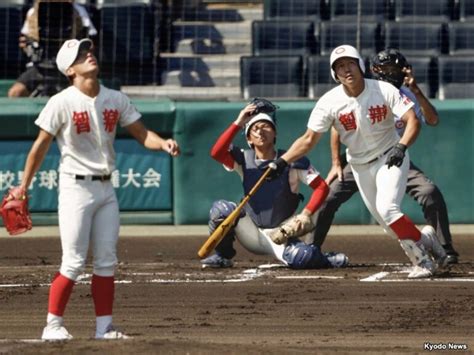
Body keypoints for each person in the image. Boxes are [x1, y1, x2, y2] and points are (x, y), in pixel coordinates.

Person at [14, 38, 180, 341]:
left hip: (106, 189)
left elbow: (143, 134)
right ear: (70, 70)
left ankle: (105, 328)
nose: (89, 55)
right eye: (80, 54)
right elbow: (40, 147)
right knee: (74, 261)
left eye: (88, 51)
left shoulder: (115, 98)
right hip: (75, 188)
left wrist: (163, 144)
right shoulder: (61, 101)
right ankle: (52, 325)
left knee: (106, 260)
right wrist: (24, 185)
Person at [268, 44, 447, 279]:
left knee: (389, 210)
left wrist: (401, 147)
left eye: (350, 63)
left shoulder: (383, 90)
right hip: (359, 165)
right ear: (335, 74)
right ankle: (427, 239)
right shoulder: (329, 101)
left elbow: (412, 119)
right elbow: (309, 139)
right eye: (340, 66)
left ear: (360, 65)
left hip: (389, 157)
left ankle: (423, 261)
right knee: (389, 226)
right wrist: (281, 162)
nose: (346, 69)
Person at [312, 48, 459, 264]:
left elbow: (432, 120)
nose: (393, 73)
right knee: (329, 197)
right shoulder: (370, 92)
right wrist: (335, 162)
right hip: (358, 160)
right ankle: (312, 248)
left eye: (397, 69)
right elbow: (337, 127)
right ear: (374, 70)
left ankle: (443, 247)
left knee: (429, 192)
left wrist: (415, 89)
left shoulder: (405, 94)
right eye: (387, 68)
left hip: (395, 157)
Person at [200, 100, 348, 270]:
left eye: (266, 127)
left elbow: (322, 188)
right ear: (249, 139)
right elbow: (216, 152)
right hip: (251, 232)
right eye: (255, 129)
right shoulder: (242, 159)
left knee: (302, 258)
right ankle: (223, 256)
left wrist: (305, 215)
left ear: (275, 133)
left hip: (282, 232)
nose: (260, 131)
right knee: (221, 210)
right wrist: (239, 122)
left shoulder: (292, 160)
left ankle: (322, 258)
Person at [8, 0, 97, 98]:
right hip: (39, 67)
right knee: (15, 93)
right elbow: (24, 38)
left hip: (70, 67)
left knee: (85, 93)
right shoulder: (33, 11)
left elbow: (90, 39)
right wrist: (29, 43)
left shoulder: (79, 10)